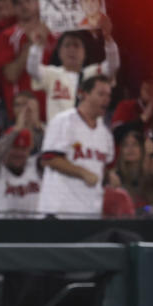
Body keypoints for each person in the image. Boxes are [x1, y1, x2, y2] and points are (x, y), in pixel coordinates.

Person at [37, 75, 115, 218]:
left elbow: (102, 169)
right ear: (84, 94)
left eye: (108, 95)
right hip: (59, 213)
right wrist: (83, 172)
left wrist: (110, 177)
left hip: (90, 213)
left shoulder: (105, 133)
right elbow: (48, 158)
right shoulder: (63, 121)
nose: (106, 99)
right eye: (101, 94)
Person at [27, 25, 120, 123]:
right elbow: (32, 69)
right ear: (59, 52)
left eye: (76, 45)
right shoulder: (52, 74)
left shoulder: (93, 73)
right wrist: (37, 45)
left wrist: (108, 40)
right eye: (67, 45)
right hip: (59, 135)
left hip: (87, 135)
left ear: (85, 52)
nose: (72, 50)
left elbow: (113, 66)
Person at [0, 128, 42, 219]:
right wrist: (14, 132)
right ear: (4, 148)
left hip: (35, 229)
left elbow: (52, 154)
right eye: (15, 147)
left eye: (24, 148)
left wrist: (39, 128)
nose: (19, 153)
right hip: (1, 229)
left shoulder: (36, 166)